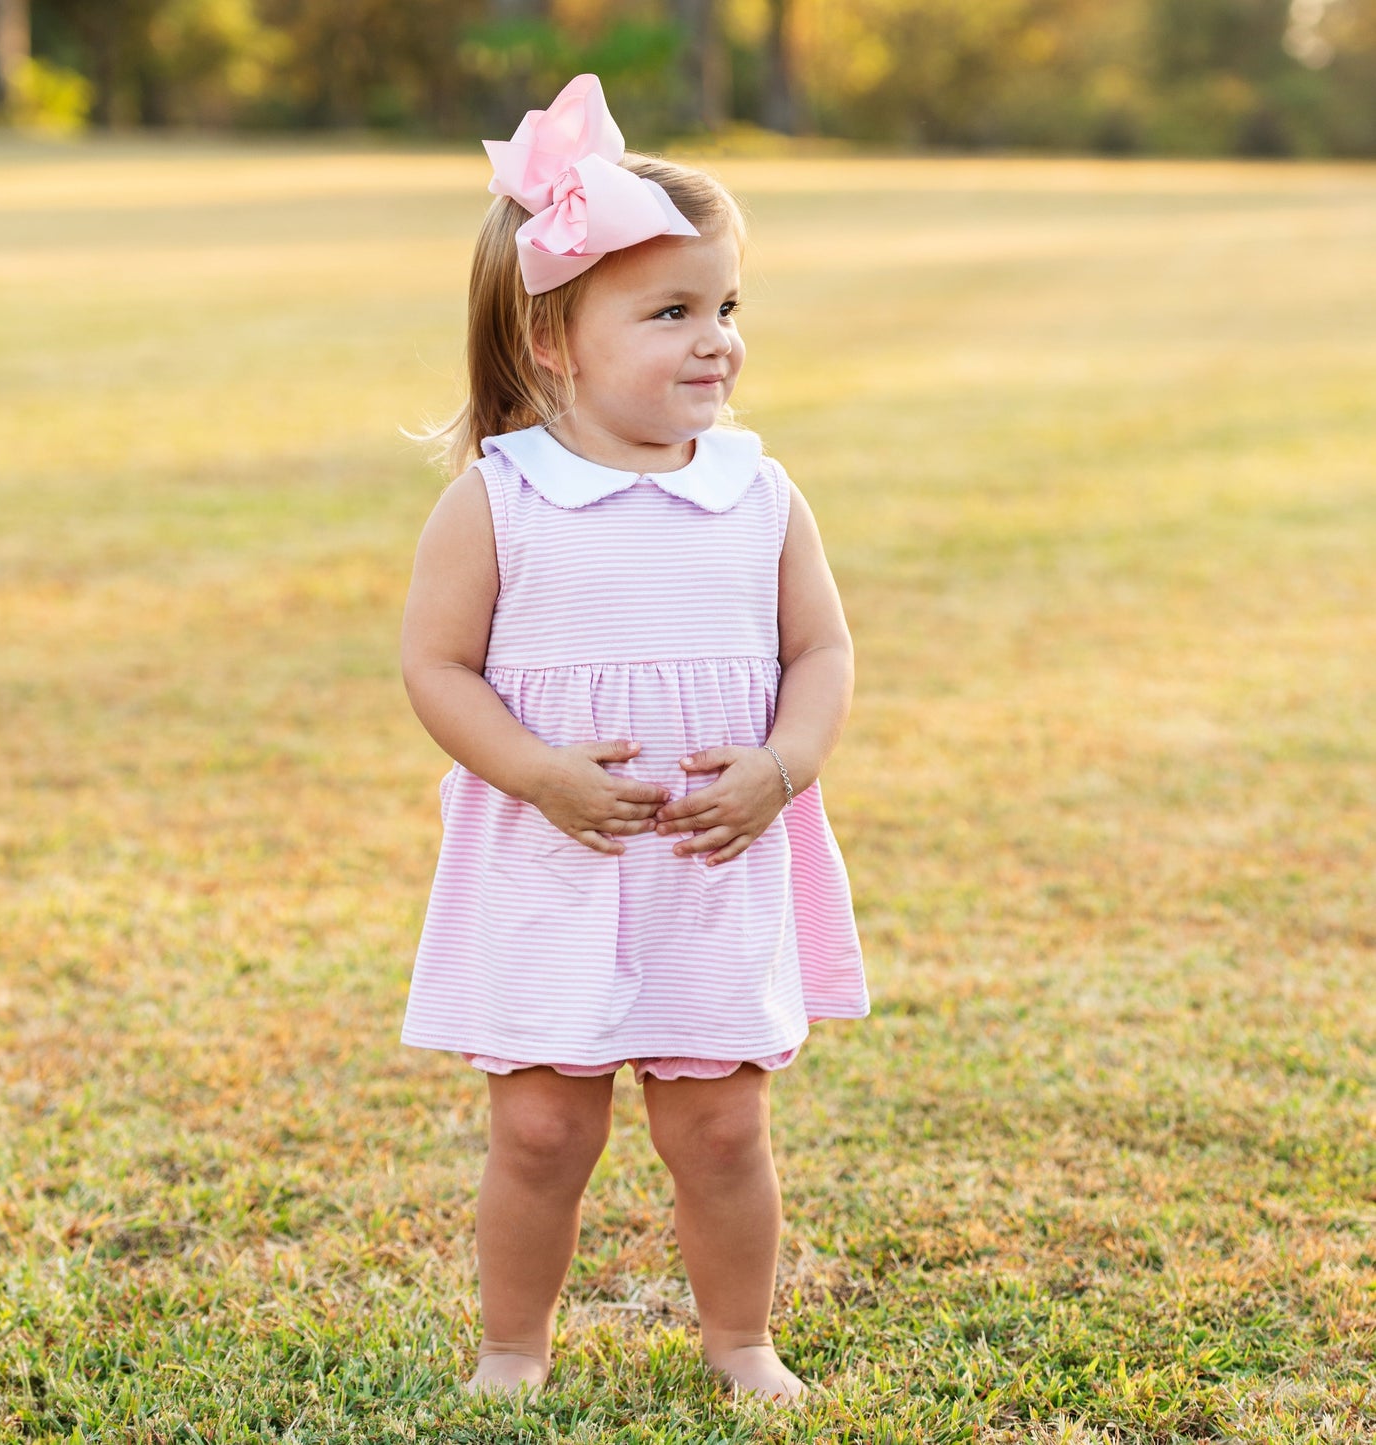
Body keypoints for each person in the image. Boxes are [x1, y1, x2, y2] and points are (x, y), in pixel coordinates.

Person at [399, 73, 868, 1405]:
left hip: (712, 858)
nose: (715, 339)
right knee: (542, 1124)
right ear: (554, 341)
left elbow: (821, 652)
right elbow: (433, 667)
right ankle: (511, 1347)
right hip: (553, 856)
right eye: (670, 312)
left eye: (725, 307)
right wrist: (537, 772)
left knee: (720, 1124)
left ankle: (738, 1340)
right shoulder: (500, 500)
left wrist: (779, 767)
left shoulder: (755, 492)